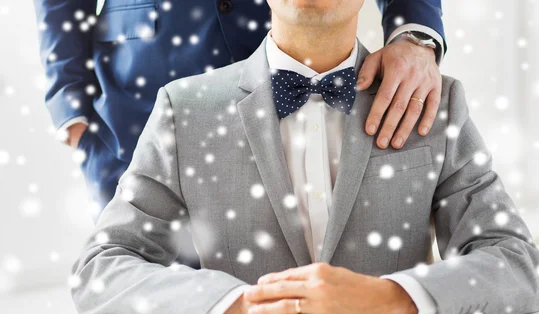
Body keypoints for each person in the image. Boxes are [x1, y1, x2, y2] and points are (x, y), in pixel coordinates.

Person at [70, 0, 539, 314]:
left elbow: (519, 263)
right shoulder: (185, 109)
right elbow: (100, 270)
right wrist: (237, 308)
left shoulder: (433, 103)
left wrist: (392, 299)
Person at [33, 0, 446, 220]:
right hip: (132, 104)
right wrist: (70, 108)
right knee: (149, 302)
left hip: (285, 70)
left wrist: (415, 32)